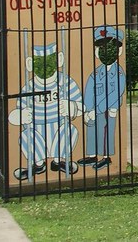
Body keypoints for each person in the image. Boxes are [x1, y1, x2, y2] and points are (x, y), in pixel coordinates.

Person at [8, 39, 82, 180]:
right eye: (39, 61)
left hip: (59, 126)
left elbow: (80, 106)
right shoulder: (29, 87)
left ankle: (58, 160)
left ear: (58, 60)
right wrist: (19, 115)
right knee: (26, 136)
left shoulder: (65, 82)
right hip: (36, 129)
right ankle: (38, 164)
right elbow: (19, 109)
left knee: (70, 131)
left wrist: (73, 107)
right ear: (30, 64)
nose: (45, 65)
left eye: (49, 60)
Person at [79, 25, 127, 170]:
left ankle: (106, 157)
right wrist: (88, 109)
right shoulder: (96, 72)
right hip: (94, 109)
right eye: (101, 48)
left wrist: (98, 109)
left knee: (106, 130)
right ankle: (92, 155)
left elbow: (115, 94)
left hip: (108, 109)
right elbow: (89, 91)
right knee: (92, 129)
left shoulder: (118, 73)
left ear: (119, 50)